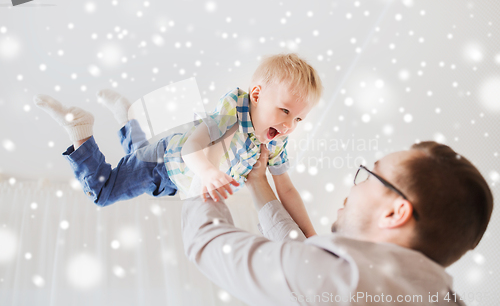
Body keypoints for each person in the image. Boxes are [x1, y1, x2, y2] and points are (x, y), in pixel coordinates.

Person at [33, 53, 323, 238]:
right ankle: (79, 128)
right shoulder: (235, 111)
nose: (289, 125)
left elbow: (286, 189)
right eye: (285, 111)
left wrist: (310, 235)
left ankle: (126, 118)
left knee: (136, 158)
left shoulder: (274, 144)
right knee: (102, 192)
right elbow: (191, 146)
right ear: (257, 95)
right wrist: (208, 172)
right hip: (166, 162)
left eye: (299, 118)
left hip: (175, 182)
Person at [181, 141, 493, 306]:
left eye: (370, 175)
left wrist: (201, 170)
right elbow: (302, 256)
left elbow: (206, 242)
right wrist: (259, 181)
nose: (354, 186)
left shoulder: (334, 284)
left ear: (395, 213)